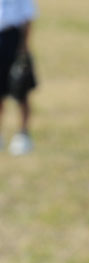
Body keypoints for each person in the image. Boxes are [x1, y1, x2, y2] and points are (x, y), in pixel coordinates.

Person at [0, 0, 37, 155]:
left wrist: (23, 47)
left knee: (21, 88)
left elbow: (28, 16)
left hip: (13, 38)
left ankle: (23, 133)